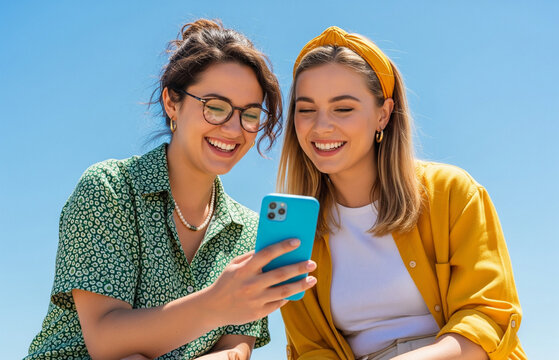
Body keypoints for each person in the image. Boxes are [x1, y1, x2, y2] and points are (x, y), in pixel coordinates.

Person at [27, 19, 317, 360]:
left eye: (250, 114)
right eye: (216, 107)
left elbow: (236, 348)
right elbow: (106, 341)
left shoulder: (249, 229)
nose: (234, 128)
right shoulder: (110, 189)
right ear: (172, 102)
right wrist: (216, 304)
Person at [278, 26, 526, 360]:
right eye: (306, 109)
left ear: (383, 114)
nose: (321, 126)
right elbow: (310, 349)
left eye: (343, 108)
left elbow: (487, 319)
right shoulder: (295, 231)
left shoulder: (452, 192)